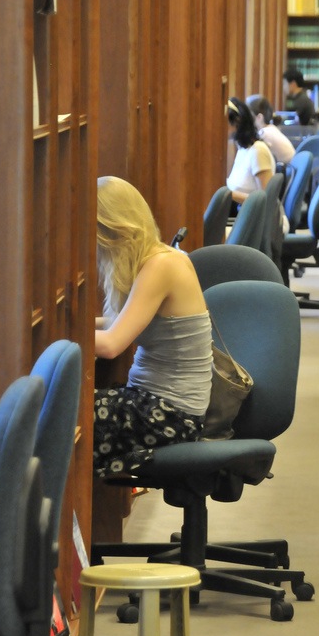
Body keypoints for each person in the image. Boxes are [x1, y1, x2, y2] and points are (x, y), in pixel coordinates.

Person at [93, 176, 212, 479]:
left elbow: (111, 345)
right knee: (67, 410)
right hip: (153, 401)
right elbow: (123, 322)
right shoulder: (157, 259)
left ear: (113, 231)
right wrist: (73, 326)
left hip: (173, 414)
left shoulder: (162, 265)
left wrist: (53, 337)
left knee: (63, 416)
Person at [226, 96, 275, 204]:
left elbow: (266, 201)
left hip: (253, 214)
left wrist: (227, 194)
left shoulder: (258, 151)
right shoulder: (243, 149)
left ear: (237, 122)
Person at [246, 95, 296, 165]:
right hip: (288, 168)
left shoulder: (264, 134)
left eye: (249, 116)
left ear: (259, 117)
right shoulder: (271, 129)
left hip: (287, 170)